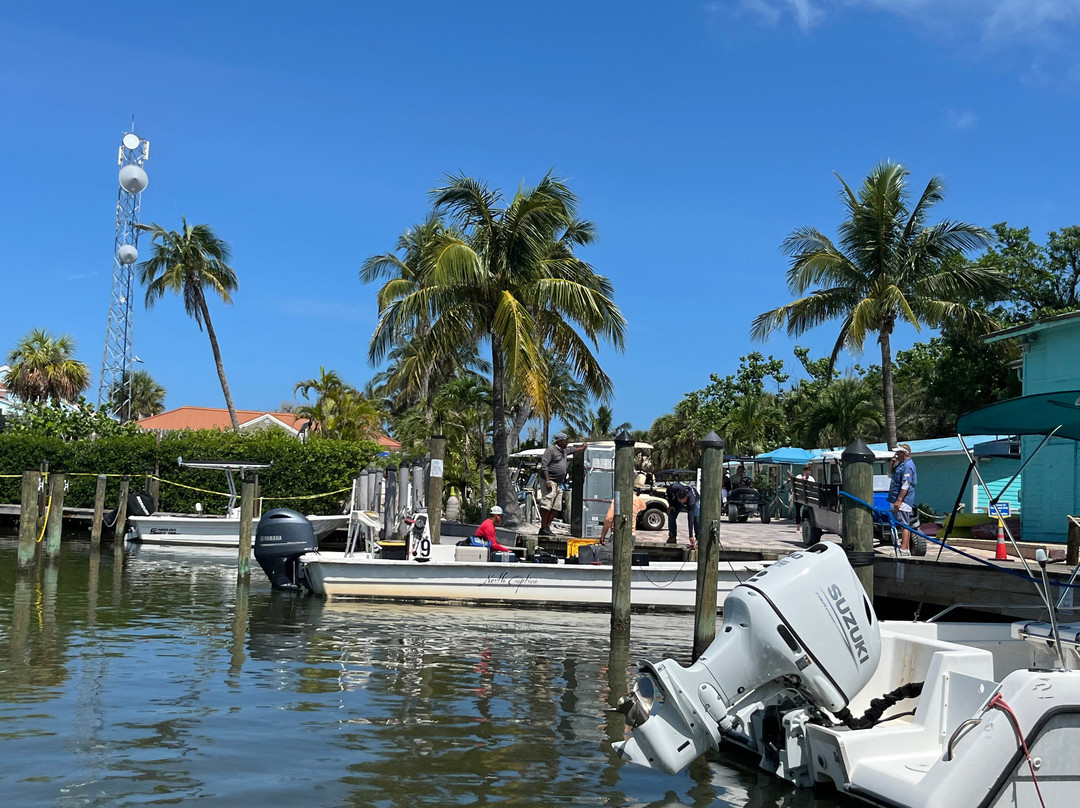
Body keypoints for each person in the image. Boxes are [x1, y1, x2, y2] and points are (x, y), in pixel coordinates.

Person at [536, 433, 586, 536]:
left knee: (556, 507)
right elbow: (544, 465)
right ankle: (543, 527)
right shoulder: (551, 450)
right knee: (547, 505)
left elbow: (573, 450)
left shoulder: (564, 451)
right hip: (550, 481)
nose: (567, 443)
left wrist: (583, 448)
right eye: (565, 441)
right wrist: (547, 480)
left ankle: (547, 527)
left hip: (559, 483)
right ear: (559, 441)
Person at [887, 443, 917, 555]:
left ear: (904, 453)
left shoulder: (908, 466)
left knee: (904, 524)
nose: (896, 454)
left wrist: (899, 500)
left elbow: (906, 484)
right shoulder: (900, 465)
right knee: (899, 523)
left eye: (898, 452)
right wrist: (892, 462)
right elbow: (890, 474)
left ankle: (904, 549)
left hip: (903, 501)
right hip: (895, 498)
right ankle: (903, 547)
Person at [792, 464, 815, 531]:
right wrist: (803, 480)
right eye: (806, 471)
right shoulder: (799, 476)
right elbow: (796, 484)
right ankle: (798, 527)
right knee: (798, 512)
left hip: (808, 497)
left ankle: (807, 526)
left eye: (808, 471)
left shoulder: (811, 478)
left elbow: (813, 487)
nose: (807, 473)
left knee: (808, 511)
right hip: (799, 496)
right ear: (804, 471)